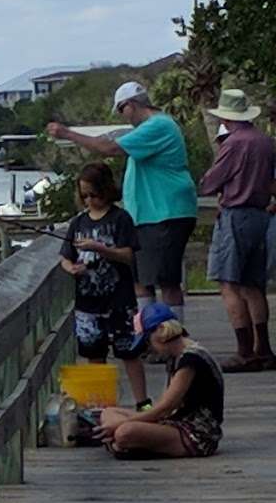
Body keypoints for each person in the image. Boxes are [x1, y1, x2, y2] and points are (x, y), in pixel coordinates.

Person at [47, 81, 198, 323]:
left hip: (164, 213)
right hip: (150, 215)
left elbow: (108, 148)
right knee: (142, 279)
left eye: (120, 110)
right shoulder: (154, 127)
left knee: (166, 280)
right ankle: (149, 336)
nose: (122, 116)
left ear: (131, 105)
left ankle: (173, 338)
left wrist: (68, 134)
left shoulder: (158, 125)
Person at [59, 161, 149, 409]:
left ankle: (143, 402)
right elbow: (65, 257)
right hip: (87, 302)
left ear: (106, 190)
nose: (89, 201)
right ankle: (103, 406)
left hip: (119, 299)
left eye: (94, 195)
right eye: (84, 195)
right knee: (94, 354)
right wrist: (71, 268)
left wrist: (100, 249)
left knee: (129, 351)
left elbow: (128, 255)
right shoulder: (78, 223)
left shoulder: (121, 219)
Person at [199, 88, 276, 372]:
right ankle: (264, 348)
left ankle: (244, 351)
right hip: (260, 215)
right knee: (254, 286)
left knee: (229, 283)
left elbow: (211, 181)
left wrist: (208, 181)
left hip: (236, 214)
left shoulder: (233, 143)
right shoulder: (265, 141)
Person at [96, 302, 224, 457]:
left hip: (195, 433)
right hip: (175, 421)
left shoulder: (190, 360)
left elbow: (165, 408)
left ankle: (123, 445)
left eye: (148, 341)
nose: (149, 348)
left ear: (161, 331)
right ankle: (124, 445)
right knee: (108, 412)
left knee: (124, 432)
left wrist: (122, 423)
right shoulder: (176, 357)